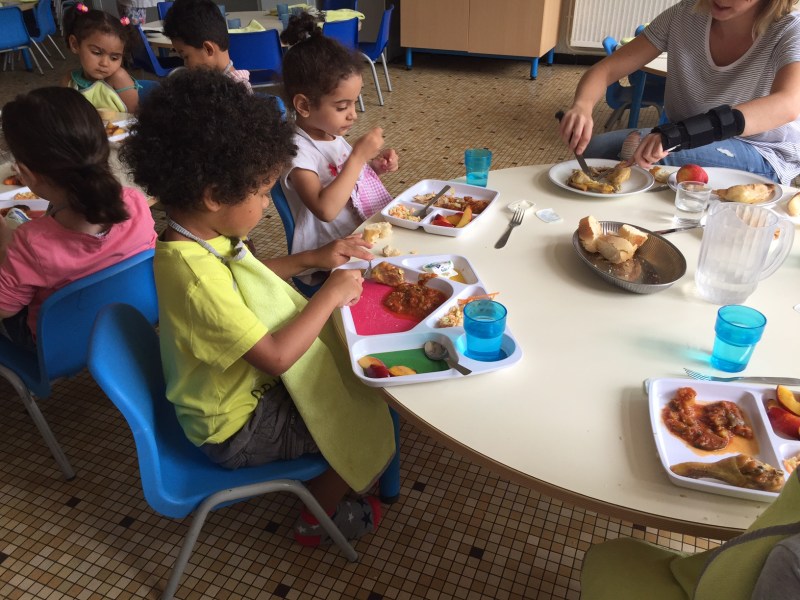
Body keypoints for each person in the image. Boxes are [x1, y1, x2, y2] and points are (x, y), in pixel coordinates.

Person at [119, 69, 396, 546]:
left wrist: (313, 258)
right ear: (213, 195)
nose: (268, 206)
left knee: (350, 375)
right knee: (370, 407)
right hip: (234, 427)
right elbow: (274, 356)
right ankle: (319, 516)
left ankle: (322, 484)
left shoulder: (196, 237)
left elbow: (246, 272)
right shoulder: (192, 276)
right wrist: (329, 292)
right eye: (264, 192)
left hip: (234, 393)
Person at [558, 0, 800, 185]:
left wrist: (680, 134)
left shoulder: (790, 29)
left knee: (638, 155)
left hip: (761, 152)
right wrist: (582, 106)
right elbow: (606, 69)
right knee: (593, 152)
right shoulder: (685, 14)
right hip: (685, 137)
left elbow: (788, 104)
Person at [0, 87, 157, 348]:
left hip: (59, 346)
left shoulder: (32, 242)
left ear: (26, 173)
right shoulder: (135, 202)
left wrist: (6, 242)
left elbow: (4, 308)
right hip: (135, 319)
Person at [279, 12, 398, 286]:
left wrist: (373, 168)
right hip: (328, 259)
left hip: (358, 237)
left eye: (354, 104)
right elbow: (326, 209)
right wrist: (357, 157)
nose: (353, 115)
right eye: (342, 106)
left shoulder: (330, 135)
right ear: (304, 106)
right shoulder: (298, 151)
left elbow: (346, 183)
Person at [62, 3, 142, 113]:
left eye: (114, 58)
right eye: (96, 52)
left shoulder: (119, 78)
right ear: (75, 44)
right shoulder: (69, 81)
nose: (104, 63)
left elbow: (135, 118)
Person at [163, 0, 251, 91]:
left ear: (208, 49)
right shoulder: (208, 81)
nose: (185, 65)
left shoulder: (238, 91)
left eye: (186, 56)